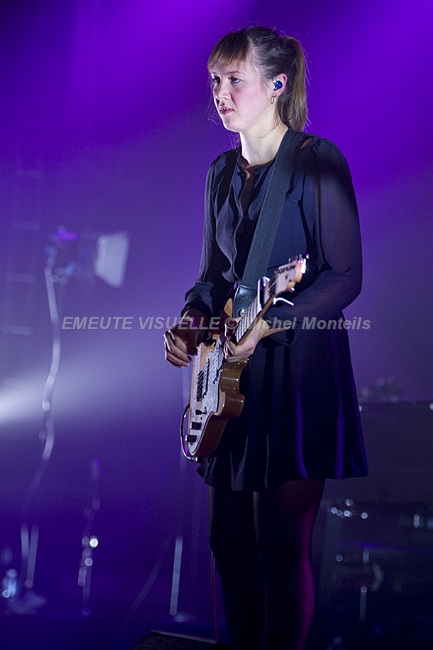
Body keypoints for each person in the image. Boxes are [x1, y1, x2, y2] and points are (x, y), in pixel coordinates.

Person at [163, 26, 368, 650]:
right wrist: (190, 323)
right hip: (229, 376)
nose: (220, 93)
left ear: (277, 85)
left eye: (234, 79)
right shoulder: (220, 173)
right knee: (228, 543)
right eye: (215, 81)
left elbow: (345, 276)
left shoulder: (317, 160)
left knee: (282, 543)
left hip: (296, 373)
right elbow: (212, 278)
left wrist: (270, 324)